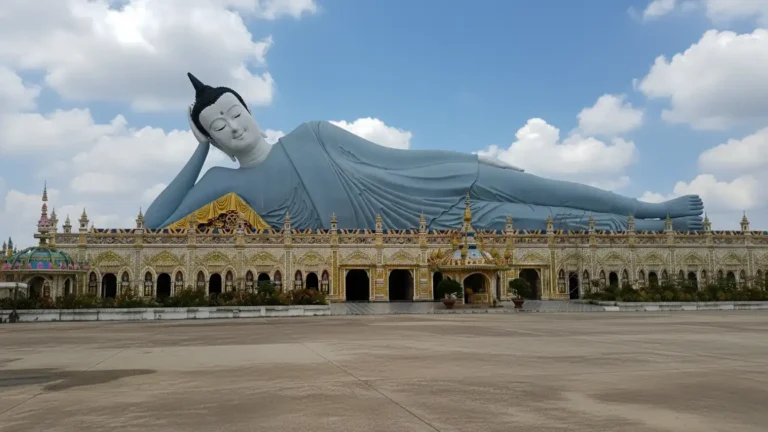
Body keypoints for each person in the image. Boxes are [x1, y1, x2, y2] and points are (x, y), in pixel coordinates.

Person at [144, 73, 704, 232]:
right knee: (544, 224)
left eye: (234, 113)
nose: (232, 127)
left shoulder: (312, 133)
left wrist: (470, 158)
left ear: (251, 108)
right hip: (404, 230)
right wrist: (195, 153)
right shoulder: (225, 183)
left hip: (419, 184)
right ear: (211, 138)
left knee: (539, 187)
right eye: (218, 127)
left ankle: (655, 208)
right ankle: (665, 231)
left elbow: (389, 157)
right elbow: (154, 224)